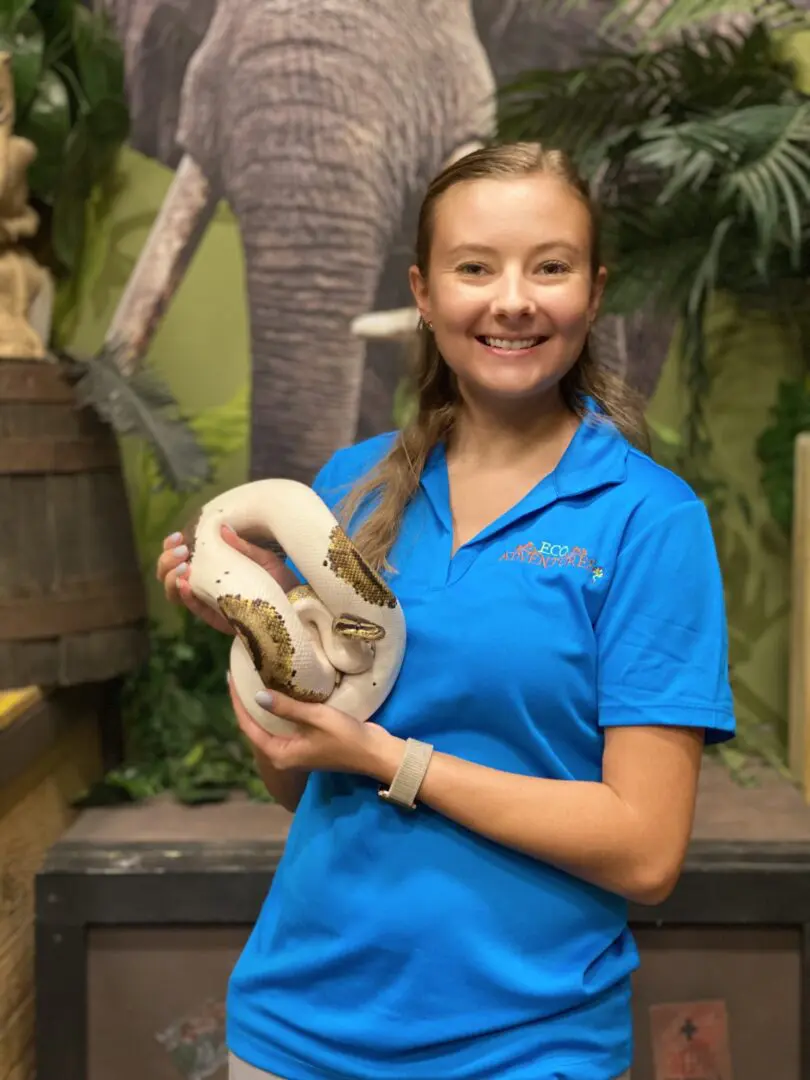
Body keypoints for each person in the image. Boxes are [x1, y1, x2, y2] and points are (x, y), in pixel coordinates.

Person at [156, 141, 735, 1080]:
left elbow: (645, 851)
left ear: (593, 289)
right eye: (476, 267)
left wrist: (392, 759)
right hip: (295, 1032)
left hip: (524, 1045)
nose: (513, 299)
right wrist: (263, 644)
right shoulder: (350, 488)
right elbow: (304, 785)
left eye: (549, 266)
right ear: (424, 294)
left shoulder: (649, 520)